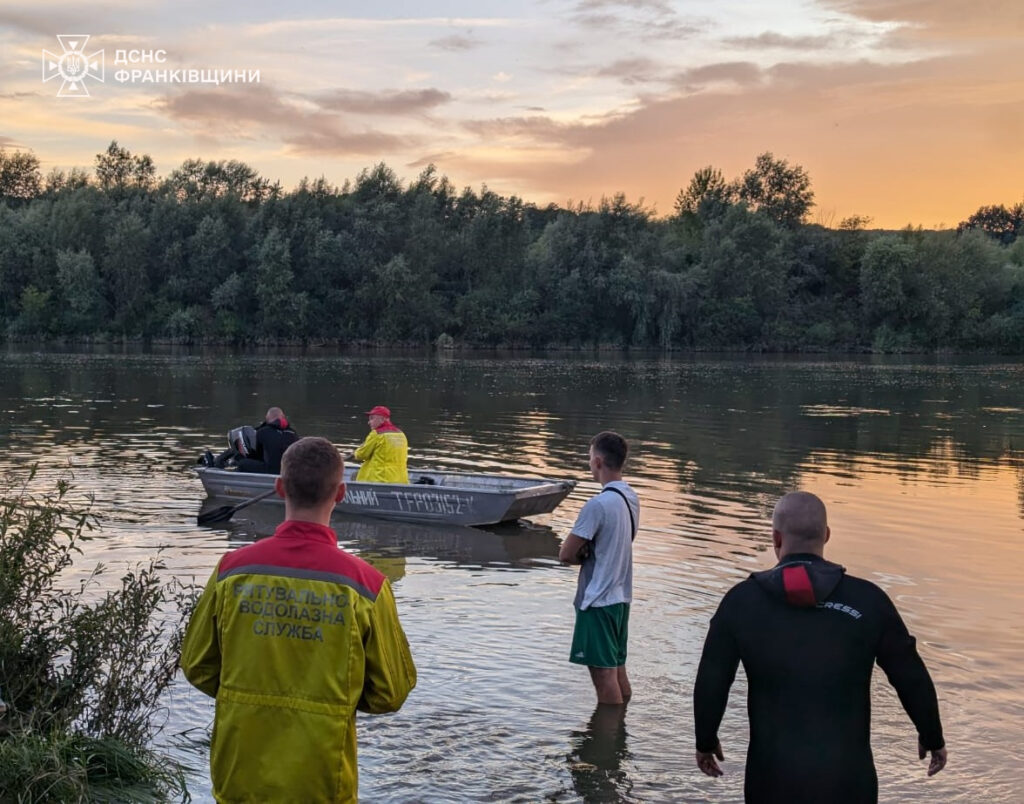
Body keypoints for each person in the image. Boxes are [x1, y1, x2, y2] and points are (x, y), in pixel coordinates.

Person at [180, 437, 417, 803]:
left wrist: (244, 694)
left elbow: (197, 666)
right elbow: (390, 693)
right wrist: (337, 699)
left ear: (278, 487)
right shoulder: (367, 586)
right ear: (340, 494)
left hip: (238, 772)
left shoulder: (232, 571)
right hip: (322, 778)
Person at [693, 491, 947, 803]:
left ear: (775, 538)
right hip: (849, 781)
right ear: (826, 536)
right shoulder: (869, 601)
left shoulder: (741, 602)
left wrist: (705, 740)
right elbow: (910, 676)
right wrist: (931, 735)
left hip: (771, 780)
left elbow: (712, 680)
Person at [558, 431, 639, 705]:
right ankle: (622, 732)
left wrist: (583, 555)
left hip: (598, 601)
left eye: (590, 458)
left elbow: (565, 554)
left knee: (604, 679)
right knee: (617, 671)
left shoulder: (598, 505)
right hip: (621, 598)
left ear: (598, 462)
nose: (589, 463)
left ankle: (609, 742)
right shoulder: (630, 498)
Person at [210, 406, 298, 474]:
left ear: (267, 419)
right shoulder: (293, 433)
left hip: (271, 471)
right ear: (283, 417)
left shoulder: (263, 432)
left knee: (242, 463)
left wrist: (239, 458)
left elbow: (255, 454)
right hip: (289, 471)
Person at [346, 405, 409, 484]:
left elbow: (361, 455)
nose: (369, 422)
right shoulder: (401, 434)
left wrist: (355, 453)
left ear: (382, 419)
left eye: (372, 418)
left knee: (354, 476)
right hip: (401, 480)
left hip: (380, 479)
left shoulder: (377, 434)